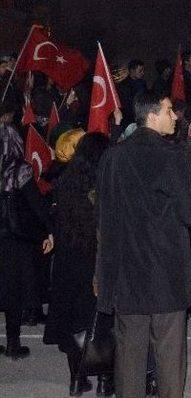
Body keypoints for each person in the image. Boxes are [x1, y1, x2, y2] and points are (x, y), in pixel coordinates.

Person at [95, 91, 191, 398]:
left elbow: (103, 216)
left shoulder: (113, 157)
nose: (175, 116)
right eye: (170, 111)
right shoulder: (171, 156)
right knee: (169, 354)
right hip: (165, 270)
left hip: (126, 272)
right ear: (152, 115)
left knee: (130, 355)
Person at [44, 132, 112, 397]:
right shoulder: (104, 184)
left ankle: (76, 378)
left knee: (73, 323)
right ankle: (106, 381)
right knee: (102, 323)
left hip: (69, 261)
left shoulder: (64, 182)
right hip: (97, 260)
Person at [0, 104, 54, 359]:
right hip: (12, 239)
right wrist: (50, 228)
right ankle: (12, 343)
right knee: (12, 293)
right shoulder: (19, 171)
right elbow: (37, 205)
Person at [117, 59, 147, 127]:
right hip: (129, 120)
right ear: (132, 70)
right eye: (140, 71)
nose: (143, 73)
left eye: (143, 70)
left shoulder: (143, 83)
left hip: (142, 117)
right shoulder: (123, 85)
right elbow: (126, 105)